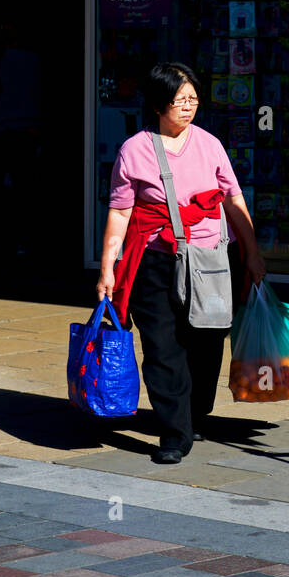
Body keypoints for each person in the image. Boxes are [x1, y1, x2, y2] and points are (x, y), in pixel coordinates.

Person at [96, 62, 267, 464]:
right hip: (154, 263)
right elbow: (120, 213)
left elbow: (233, 199)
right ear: (158, 104)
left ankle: (191, 414)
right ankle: (174, 432)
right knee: (162, 348)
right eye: (179, 101)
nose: (188, 107)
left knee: (207, 344)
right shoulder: (134, 150)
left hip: (210, 262)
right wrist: (108, 267)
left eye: (193, 99)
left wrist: (253, 252)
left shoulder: (209, 144)